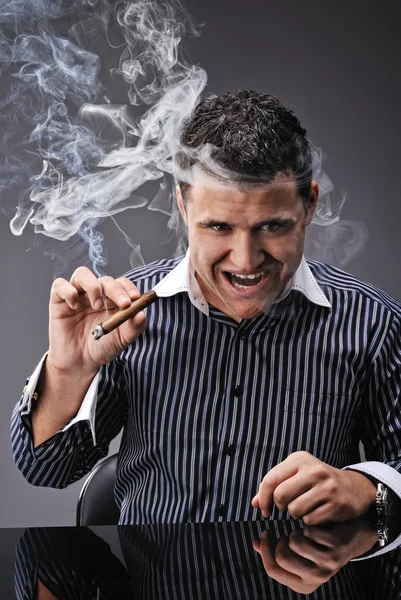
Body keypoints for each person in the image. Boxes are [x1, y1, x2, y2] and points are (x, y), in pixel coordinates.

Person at [11, 90, 401, 525]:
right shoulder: (121, 317)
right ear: (183, 206)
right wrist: (69, 373)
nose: (246, 260)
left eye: (272, 226)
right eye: (218, 226)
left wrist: (369, 489)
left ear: (308, 204)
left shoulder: (374, 324)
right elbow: (45, 468)